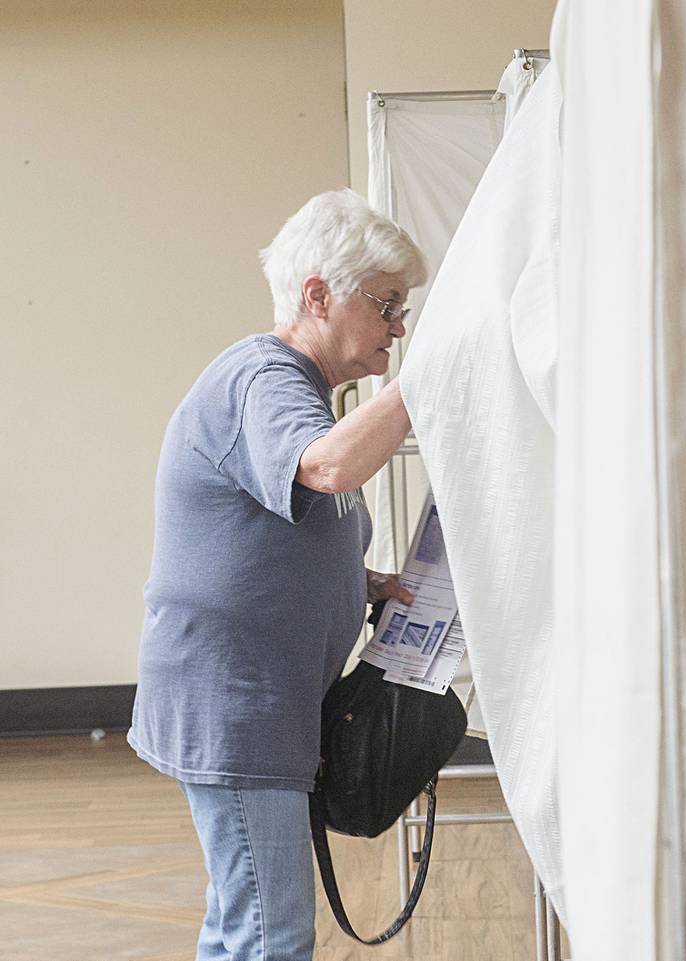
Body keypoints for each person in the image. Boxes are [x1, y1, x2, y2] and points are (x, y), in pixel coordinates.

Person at [128, 188, 427, 961]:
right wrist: (427, 385)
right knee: (270, 934)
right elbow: (325, 469)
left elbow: (274, 532)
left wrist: (361, 585)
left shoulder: (295, 389)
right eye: (388, 304)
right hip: (238, 707)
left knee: (244, 924)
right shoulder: (264, 376)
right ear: (317, 294)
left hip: (260, 706)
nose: (399, 327)